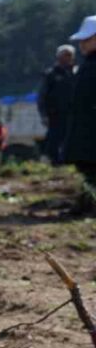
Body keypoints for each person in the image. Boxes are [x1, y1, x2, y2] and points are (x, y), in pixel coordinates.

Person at [65, 15, 96, 216]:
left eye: (87, 39)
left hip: (91, 131)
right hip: (85, 129)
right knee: (87, 169)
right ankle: (86, 204)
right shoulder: (89, 64)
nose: (82, 44)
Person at [38, 45, 78, 165]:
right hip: (55, 114)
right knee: (54, 139)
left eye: (70, 55)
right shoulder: (51, 74)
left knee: (72, 138)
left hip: (73, 113)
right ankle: (54, 162)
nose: (68, 58)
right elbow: (42, 96)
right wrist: (43, 114)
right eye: (65, 55)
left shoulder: (77, 72)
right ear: (59, 57)